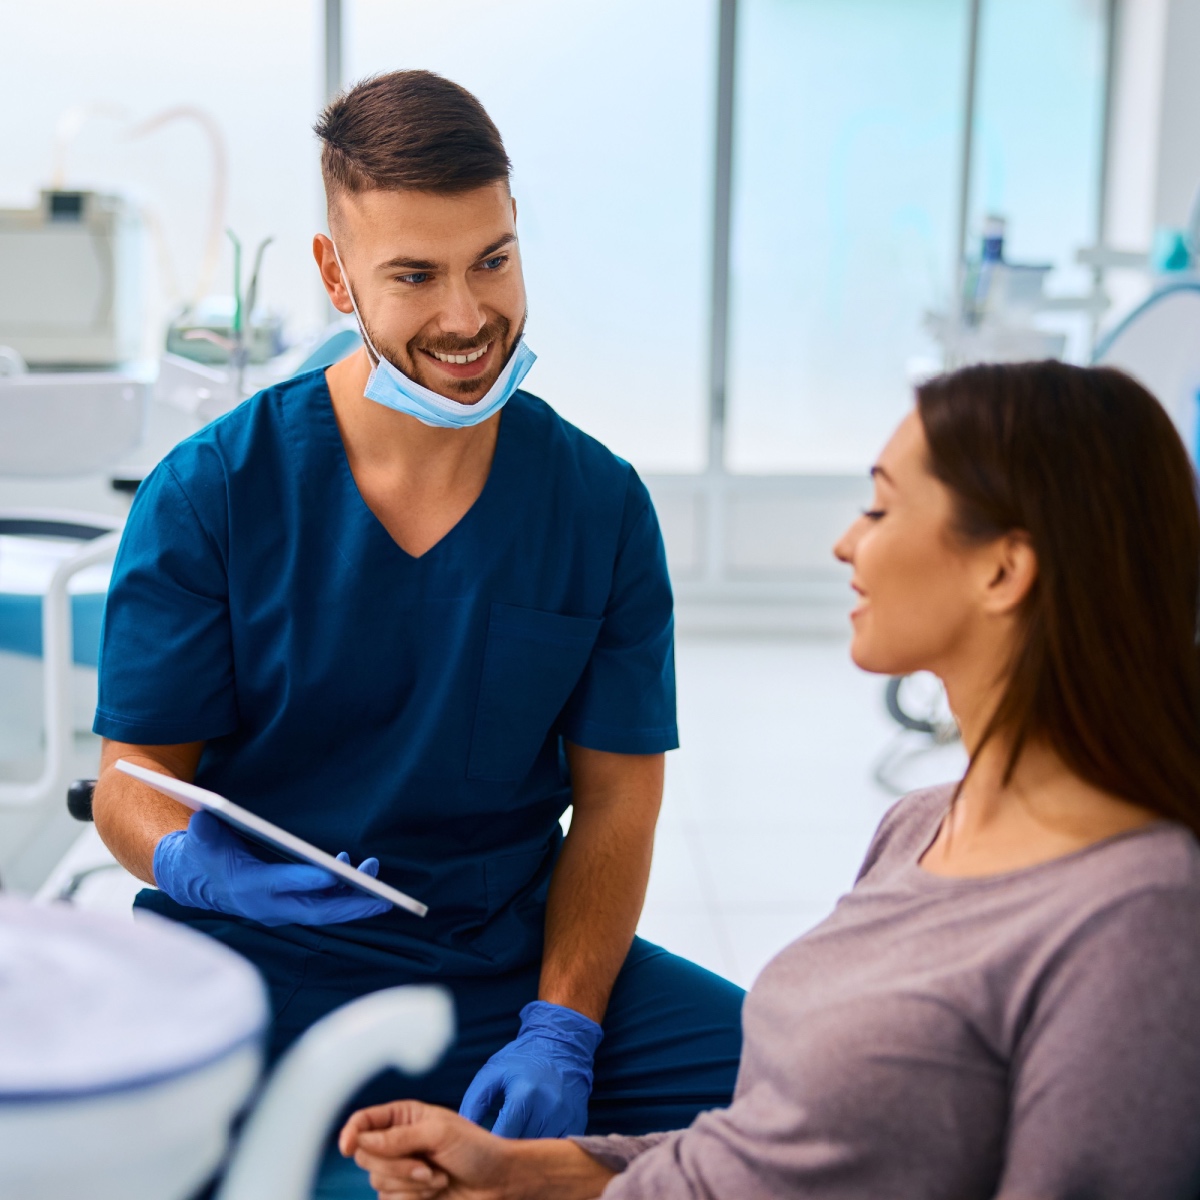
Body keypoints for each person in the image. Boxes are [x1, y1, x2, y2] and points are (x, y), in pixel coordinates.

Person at [89, 69, 743, 1196]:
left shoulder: (596, 505)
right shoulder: (214, 493)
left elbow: (622, 798)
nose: (465, 317)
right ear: (335, 275)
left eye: (492, 259)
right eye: (415, 275)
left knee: (811, 1092)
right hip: (258, 964)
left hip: (506, 960)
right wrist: (197, 868)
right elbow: (131, 780)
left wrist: (563, 1027)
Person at [336, 360, 1200, 1200]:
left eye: (881, 507)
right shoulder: (924, 825)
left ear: (1003, 571)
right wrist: (532, 1176)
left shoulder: (1133, 919)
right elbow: (780, 1147)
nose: (846, 540)